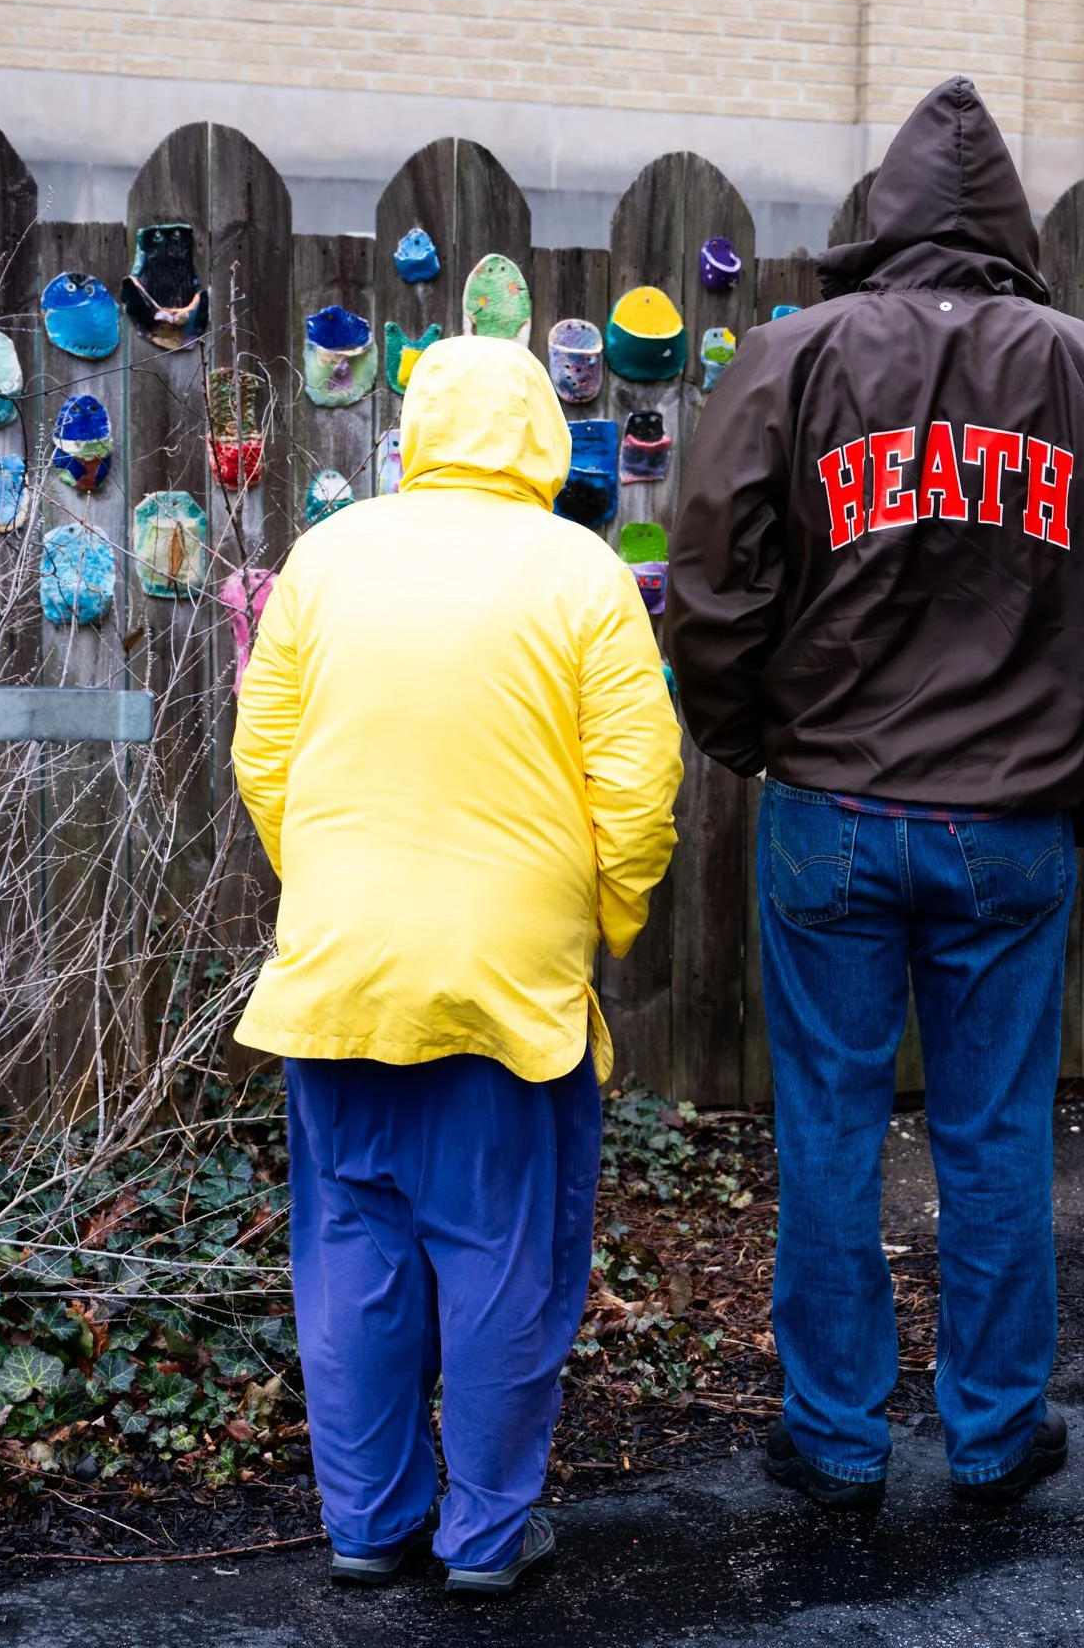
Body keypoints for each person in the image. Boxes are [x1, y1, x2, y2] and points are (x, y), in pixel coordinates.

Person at [665, 75, 1084, 1509]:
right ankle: (995, 1430)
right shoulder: (1079, 367)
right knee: (994, 1130)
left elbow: (711, 587)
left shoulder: (793, 357)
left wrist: (756, 741)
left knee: (828, 1126)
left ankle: (835, 1436)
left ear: (880, 217)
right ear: (1010, 226)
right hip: (1010, 822)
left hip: (831, 809)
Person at [232, 336, 682, 1590]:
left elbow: (263, 758)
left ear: (416, 430)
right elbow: (638, 789)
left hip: (339, 970)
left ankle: (369, 1524)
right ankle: (486, 1532)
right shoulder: (581, 571)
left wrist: (333, 892)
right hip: (508, 980)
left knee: (352, 1249)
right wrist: (605, 922)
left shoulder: (328, 556)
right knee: (499, 1251)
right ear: (540, 434)